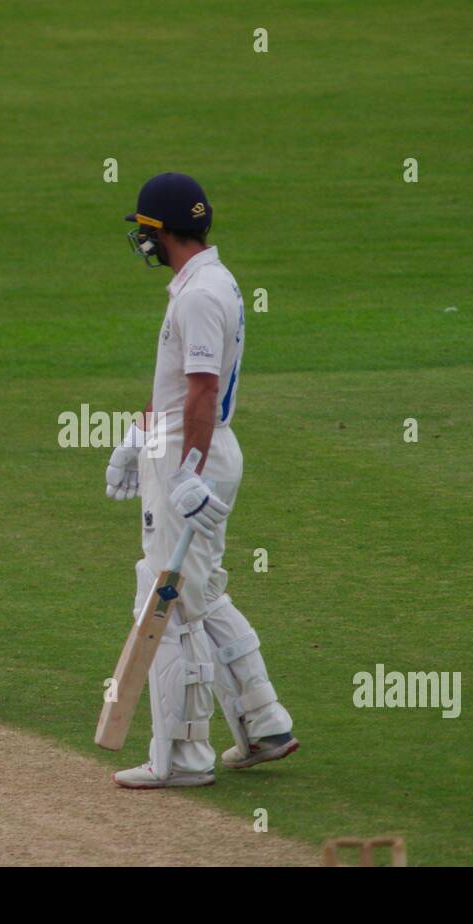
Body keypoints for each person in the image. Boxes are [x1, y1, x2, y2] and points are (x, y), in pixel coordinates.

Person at [105, 172, 298, 787]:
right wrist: (139, 437)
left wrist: (185, 469)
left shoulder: (199, 294)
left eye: (145, 231)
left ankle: (183, 758)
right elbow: (174, 387)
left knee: (164, 599)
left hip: (195, 457)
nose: (142, 242)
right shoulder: (203, 283)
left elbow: (203, 391)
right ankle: (263, 720)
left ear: (165, 232)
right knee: (200, 592)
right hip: (185, 449)